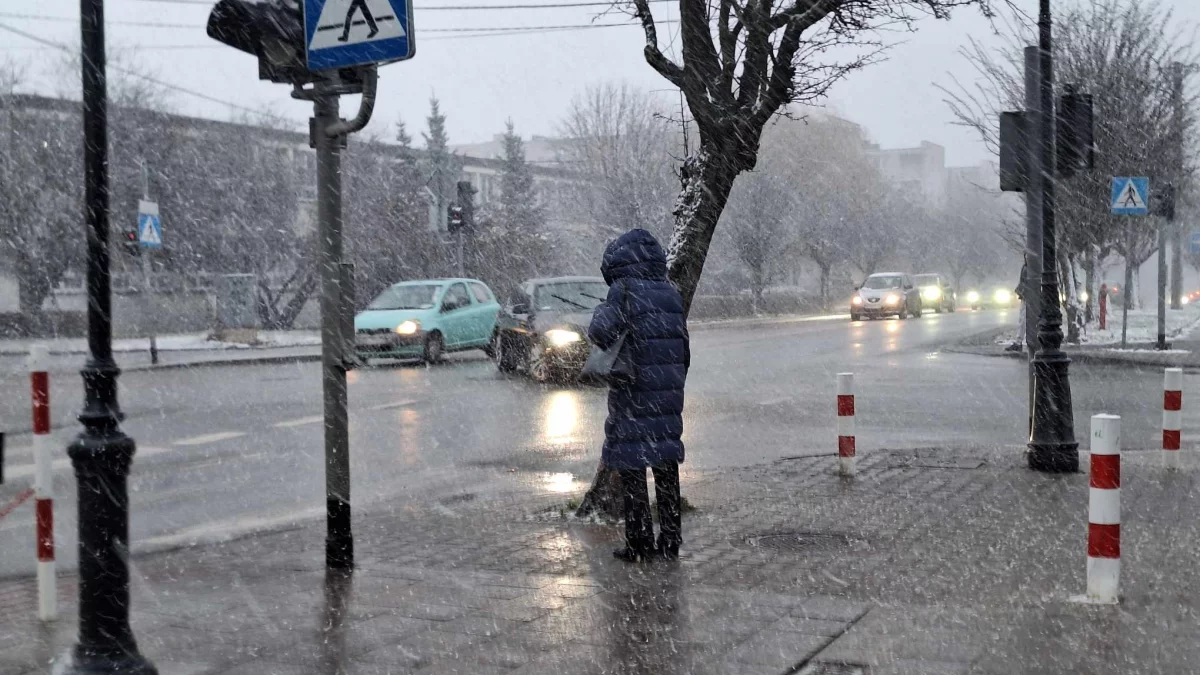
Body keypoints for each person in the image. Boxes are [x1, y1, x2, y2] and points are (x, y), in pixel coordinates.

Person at [588, 228, 690, 563]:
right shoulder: (670, 291)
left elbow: (601, 332)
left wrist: (603, 308)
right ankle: (670, 540)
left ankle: (639, 542)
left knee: (633, 466)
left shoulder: (624, 290)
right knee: (665, 465)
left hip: (634, 392)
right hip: (668, 390)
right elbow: (684, 347)